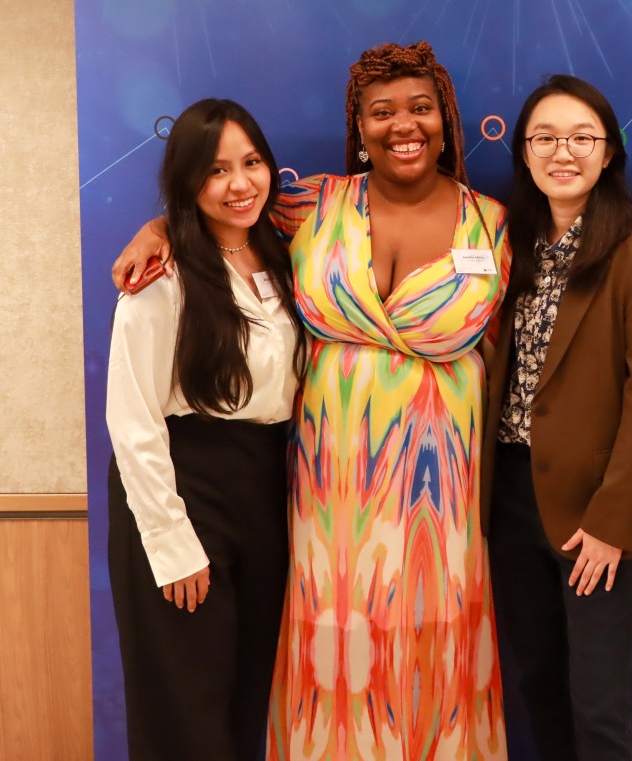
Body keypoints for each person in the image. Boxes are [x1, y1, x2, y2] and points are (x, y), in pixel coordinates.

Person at [114, 43, 510, 759]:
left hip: (442, 499)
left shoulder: (494, 224)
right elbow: (225, 212)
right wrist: (160, 227)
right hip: (329, 501)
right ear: (358, 128)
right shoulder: (317, 204)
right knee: (333, 662)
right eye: (381, 112)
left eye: (421, 108)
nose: (403, 124)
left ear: (447, 120)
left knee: (432, 662)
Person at [482, 75, 632, 760]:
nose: (561, 152)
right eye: (544, 138)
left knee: (597, 702)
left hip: (595, 511)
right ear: (524, 152)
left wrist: (610, 522)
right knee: (537, 686)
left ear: (608, 152)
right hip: (511, 500)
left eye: (581, 138)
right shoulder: (510, 251)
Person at [107, 99, 309, 760]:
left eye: (251, 163)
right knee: (185, 710)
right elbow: (132, 418)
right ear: (188, 179)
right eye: (217, 170)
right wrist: (171, 541)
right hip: (182, 485)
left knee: (245, 700)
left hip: (264, 487)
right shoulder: (160, 276)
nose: (240, 183)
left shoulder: (283, 254)